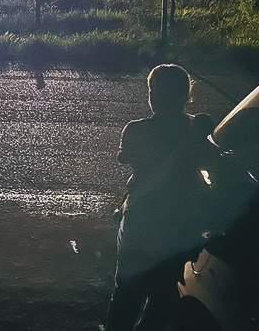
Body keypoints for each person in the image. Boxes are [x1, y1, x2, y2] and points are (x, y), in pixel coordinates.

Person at [107, 64, 214, 331]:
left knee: (127, 292)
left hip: (141, 219)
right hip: (179, 223)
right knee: (164, 293)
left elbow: (126, 157)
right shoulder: (198, 128)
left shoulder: (135, 130)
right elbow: (211, 162)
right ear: (186, 95)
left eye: (155, 91)